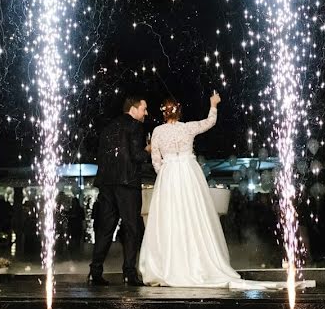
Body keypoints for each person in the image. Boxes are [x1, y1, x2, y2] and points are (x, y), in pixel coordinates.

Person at [138, 92, 247, 287]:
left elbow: (155, 160)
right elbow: (210, 122)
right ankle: (200, 262)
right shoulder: (187, 128)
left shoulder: (157, 132)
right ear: (179, 112)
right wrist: (213, 104)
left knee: (170, 217)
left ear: (164, 113)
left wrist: (165, 171)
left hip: (169, 175)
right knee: (193, 213)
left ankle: (168, 265)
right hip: (189, 174)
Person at [89, 95, 150, 286]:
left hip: (107, 184)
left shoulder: (108, 128)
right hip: (127, 183)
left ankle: (95, 271)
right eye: (144, 109)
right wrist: (148, 149)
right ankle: (129, 273)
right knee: (132, 228)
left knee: (105, 229)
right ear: (133, 109)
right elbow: (136, 155)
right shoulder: (136, 126)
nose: (146, 113)